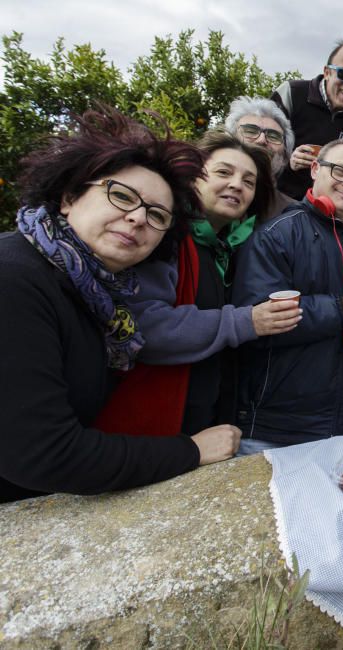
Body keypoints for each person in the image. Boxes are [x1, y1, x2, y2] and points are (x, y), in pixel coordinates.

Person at [0, 107, 241, 503]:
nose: (137, 218)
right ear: (69, 197)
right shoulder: (15, 278)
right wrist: (193, 450)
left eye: (157, 214)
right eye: (121, 196)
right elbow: (45, 454)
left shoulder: (101, 298)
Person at [95, 130, 299, 440]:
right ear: (193, 178)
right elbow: (144, 327)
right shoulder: (162, 236)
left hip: (207, 423)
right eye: (223, 172)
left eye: (249, 181)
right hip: (146, 427)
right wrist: (246, 321)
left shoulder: (237, 248)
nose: (236, 185)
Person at [232, 139, 343, 451]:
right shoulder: (275, 236)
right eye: (340, 171)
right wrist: (339, 310)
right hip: (274, 428)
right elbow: (257, 323)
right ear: (315, 170)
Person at [272, 39, 343, 200]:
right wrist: (288, 160)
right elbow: (260, 145)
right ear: (327, 72)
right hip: (279, 196)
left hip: (329, 209)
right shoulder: (292, 93)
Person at [225, 96, 297, 219]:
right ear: (227, 142)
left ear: (285, 155)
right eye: (250, 131)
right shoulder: (195, 194)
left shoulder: (294, 215)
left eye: (274, 136)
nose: (262, 140)